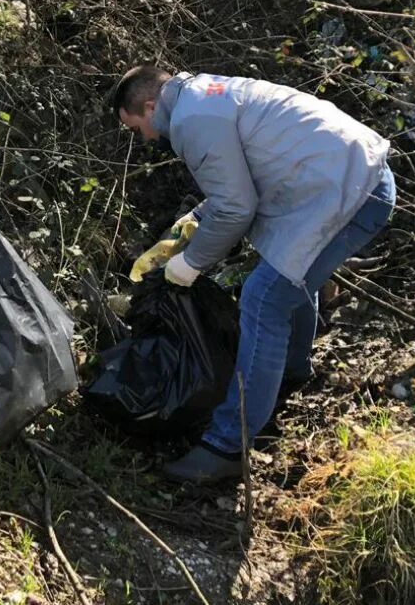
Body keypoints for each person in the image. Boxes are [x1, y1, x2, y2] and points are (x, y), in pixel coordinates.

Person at [111, 66, 395, 484]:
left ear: (151, 106)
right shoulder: (203, 95)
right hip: (348, 179)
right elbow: (241, 176)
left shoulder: (190, 121)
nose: (147, 138)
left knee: (264, 297)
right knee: (283, 273)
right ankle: (291, 373)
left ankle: (226, 447)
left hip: (349, 192)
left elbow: (236, 209)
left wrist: (189, 266)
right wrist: (196, 218)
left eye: (138, 128)